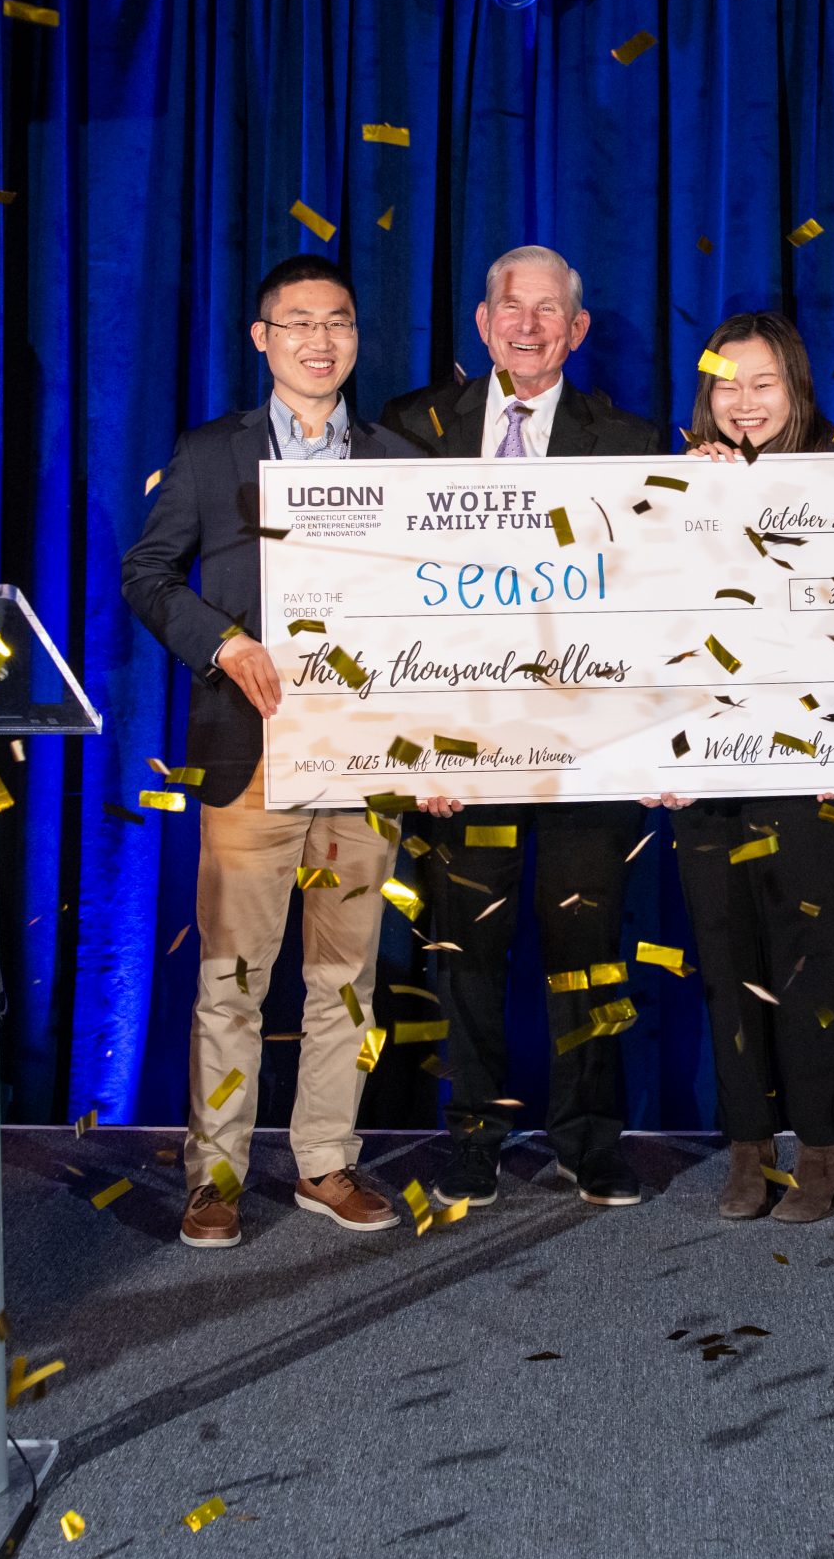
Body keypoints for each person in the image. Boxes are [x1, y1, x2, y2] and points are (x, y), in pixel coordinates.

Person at [122, 254, 429, 1249]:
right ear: (261, 339)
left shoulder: (399, 461)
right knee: (234, 977)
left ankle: (325, 1163)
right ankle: (213, 1174)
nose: (317, 340)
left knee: (345, 976)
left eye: (335, 321)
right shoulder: (212, 454)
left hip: (362, 755)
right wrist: (223, 640)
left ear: (355, 337)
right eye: (295, 323)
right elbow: (148, 573)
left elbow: (439, 602)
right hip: (246, 748)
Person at [377, 246, 661, 1210]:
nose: (529, 324)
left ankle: (590, 1138)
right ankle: (473, 1135)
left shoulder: (631, 441)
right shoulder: (410, 431)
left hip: (587, 747)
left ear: (578, 331)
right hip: (460, 751)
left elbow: (666, 599)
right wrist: (409, 739)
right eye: (512, 305)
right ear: (481, 320)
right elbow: (375, 594)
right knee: (466, 948)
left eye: (550, 310)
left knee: (589, 945)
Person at [670, 313, 834, 1223]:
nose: (744, 403)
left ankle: (820, 1147)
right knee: (724, 962)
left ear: (797, 391)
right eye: (725, 386)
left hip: (807, 772)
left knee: (806, 961)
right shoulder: (667, 490)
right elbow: (638, 634)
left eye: (764, 384)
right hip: (702, 776)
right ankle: (748, 1147)